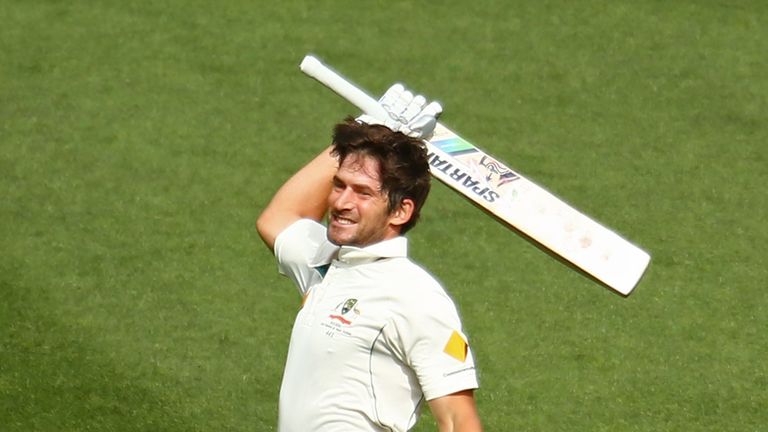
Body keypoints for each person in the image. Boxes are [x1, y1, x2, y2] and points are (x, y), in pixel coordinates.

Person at [256, 84, 482, 432]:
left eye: (362, 192)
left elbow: (458, 419)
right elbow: (280, 217)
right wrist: (372, 125)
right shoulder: (325, 262)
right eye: (339, 185)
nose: (341, 203)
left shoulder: (416, 297)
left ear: (400, 211)